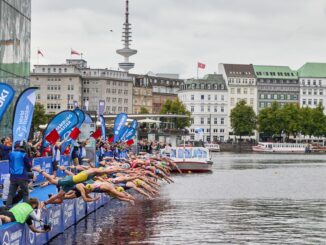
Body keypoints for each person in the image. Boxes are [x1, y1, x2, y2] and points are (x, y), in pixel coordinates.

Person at [6, 141, 32, 208]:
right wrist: (30, 157)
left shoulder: (10, 154)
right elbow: (29, 165)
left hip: (13, 177)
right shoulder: (24, 154)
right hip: (22, 177)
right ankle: (25, 208)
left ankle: (8, 207)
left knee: (11, 194)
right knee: (25, 194)